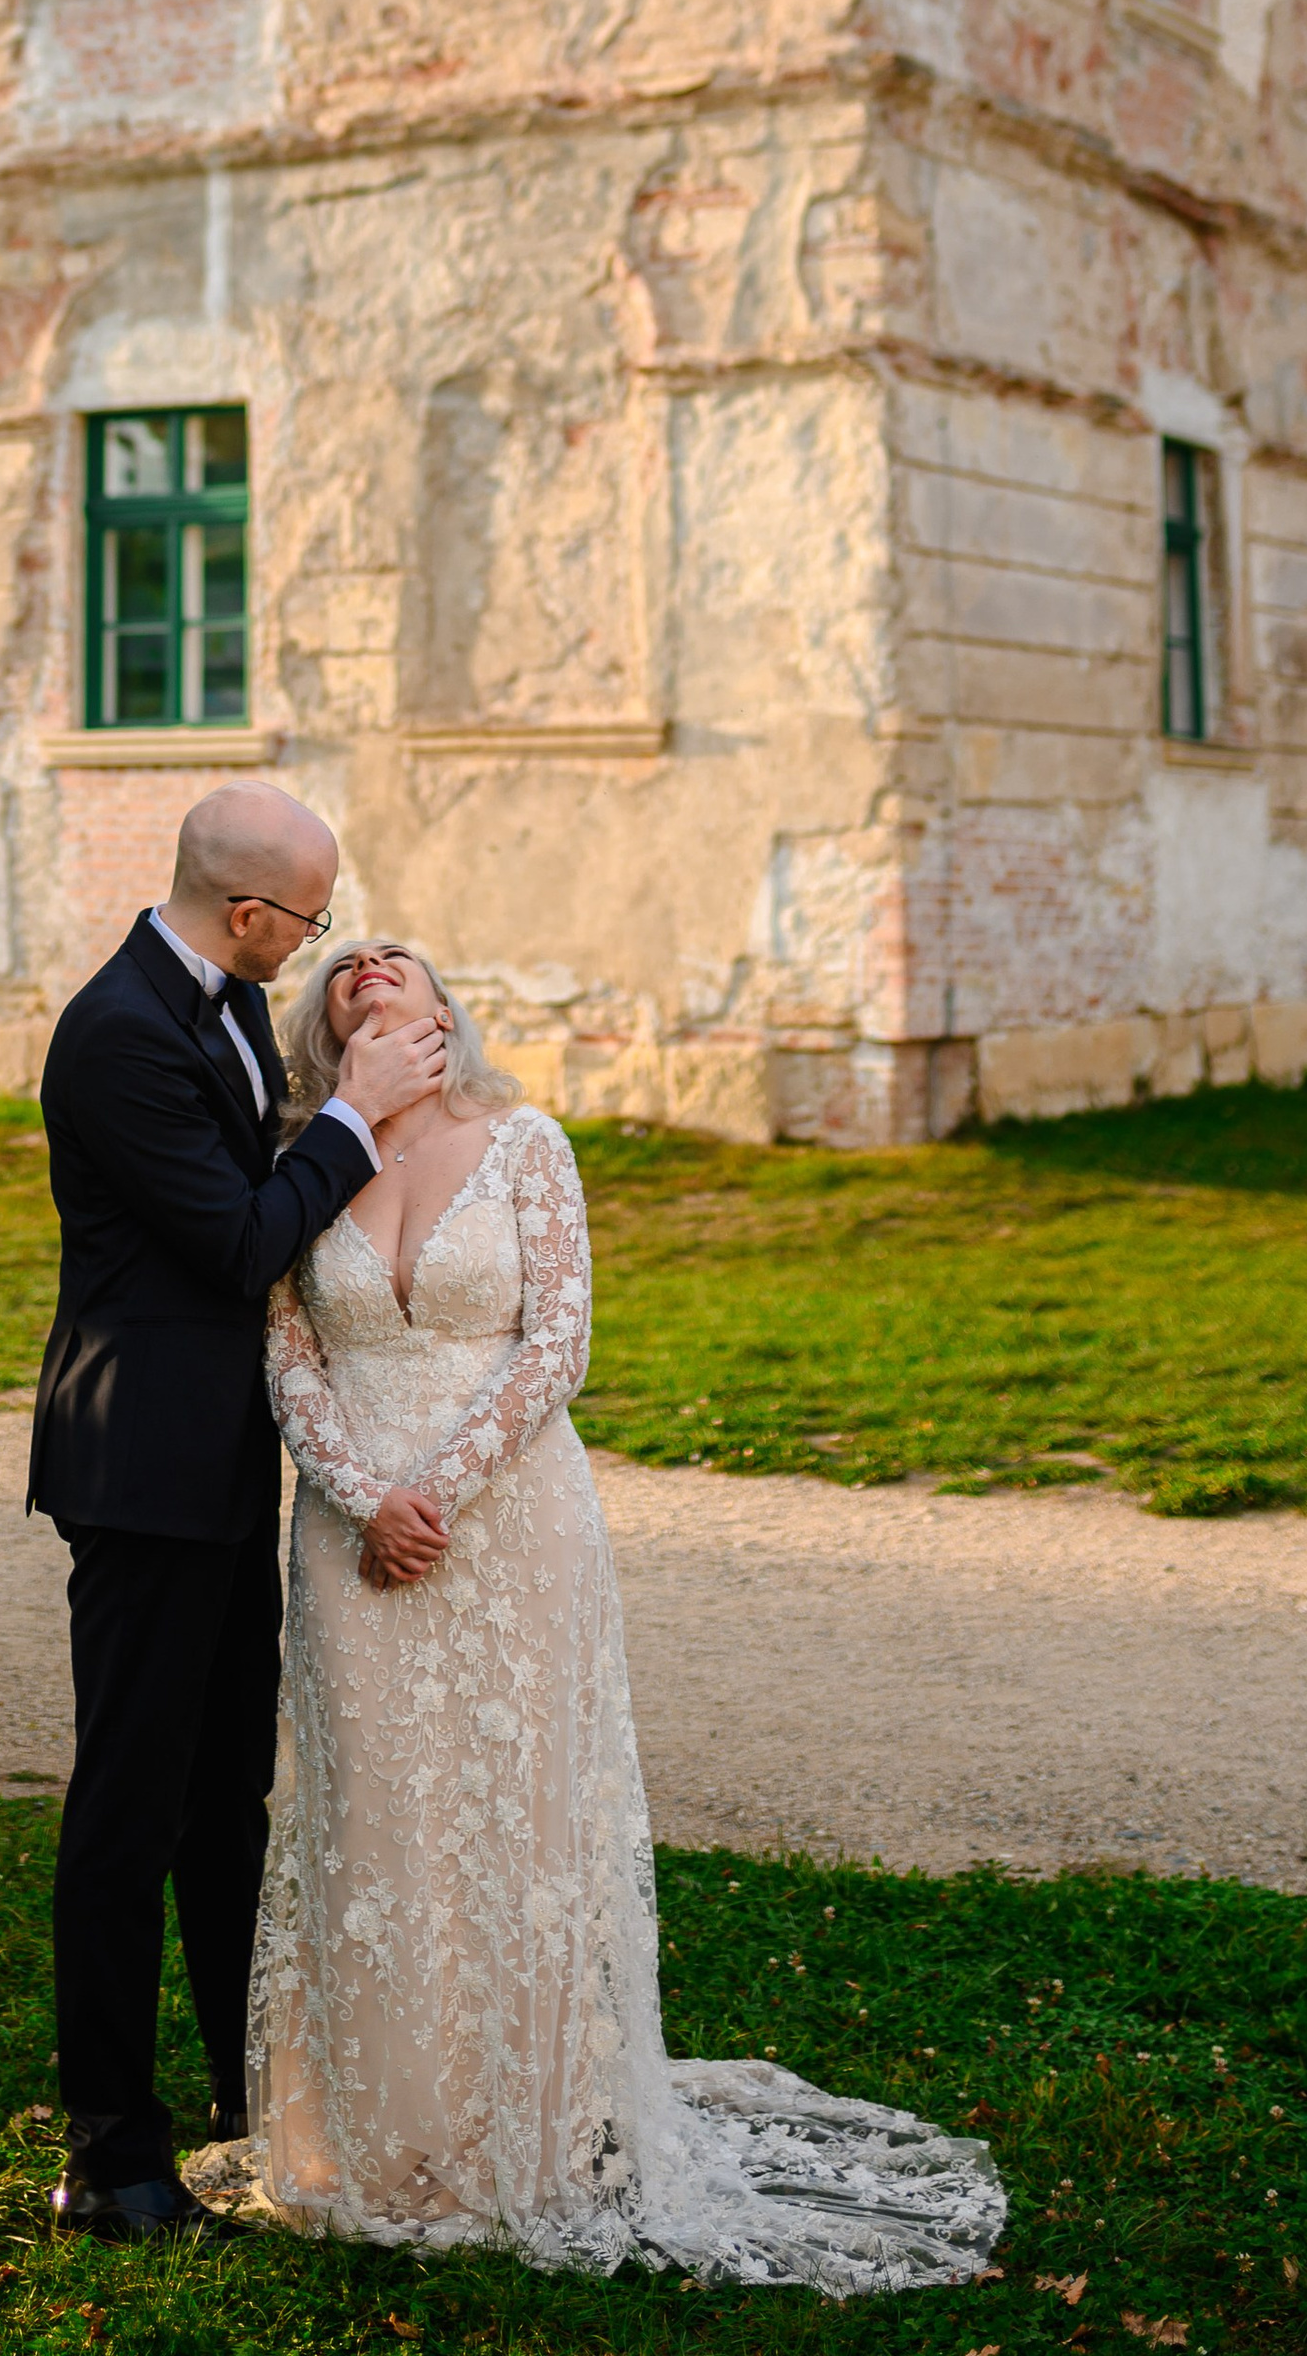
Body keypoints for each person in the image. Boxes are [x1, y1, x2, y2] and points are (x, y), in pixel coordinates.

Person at [203, 935, 1009, 2293]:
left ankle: (526, 2129)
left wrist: (437, 1491)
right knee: (374, 1811)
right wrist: (360, 1496)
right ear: (324, 1037)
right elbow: (285, 1349)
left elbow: (556, 1346)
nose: (370, 966)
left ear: (447, 1012)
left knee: (517, 1811)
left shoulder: (527, 1143)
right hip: (351, 1537)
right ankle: (382, 2136)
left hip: (510, 1521)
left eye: (399, 960)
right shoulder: (306, 1167)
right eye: (345, 966)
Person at [27, 789, 447, 2244]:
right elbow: (237, 1240)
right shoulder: (123, 1031)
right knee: (128, 1816)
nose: (316, 941)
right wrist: (356, 1116)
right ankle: (111, 2153)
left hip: (218, 1467)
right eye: (310, 920)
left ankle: (241, 2102)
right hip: (140, 1470)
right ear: (251, 915)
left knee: (224, 1807)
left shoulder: (215, 1003)